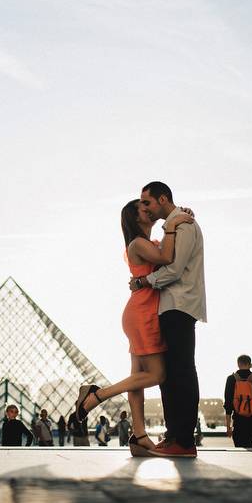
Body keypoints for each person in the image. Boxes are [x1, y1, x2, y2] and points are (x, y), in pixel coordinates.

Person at [75, 195, 195, 458]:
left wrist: (176, 216)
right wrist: (173, 224)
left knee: (137, 378)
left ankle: (139, 435)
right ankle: (97, 395)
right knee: (157, 375)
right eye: (144, 207)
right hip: (143, 314)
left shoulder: (143, 243)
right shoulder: (138, 244)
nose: (149, 209)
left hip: (140, 310)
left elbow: (164, 250)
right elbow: (167, 257)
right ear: (135, 216)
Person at [129, 182, 206, 458]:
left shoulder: (182, 225)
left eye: (147, 202)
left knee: (182, 371)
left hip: (179, 304)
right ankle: (175, 435)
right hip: (170, 306)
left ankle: (184, 439)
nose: (145, 208)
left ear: (162, 199)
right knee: (171, 374)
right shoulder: (174, 225)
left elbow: (173, 269)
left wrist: (142, 281)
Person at [224, 354, 252, 448]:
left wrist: (228, 427)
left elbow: (228, 404)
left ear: (238, 364)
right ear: (250, 365)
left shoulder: (231, 379)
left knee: (242, 454)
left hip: (239, 422)